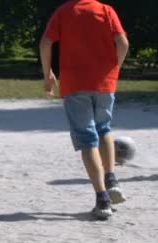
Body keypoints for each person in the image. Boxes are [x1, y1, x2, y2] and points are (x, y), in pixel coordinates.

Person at [40, 0, 129, 219]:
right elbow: (123, 43)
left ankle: (102, 199)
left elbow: (45, 43)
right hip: (104, 83)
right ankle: (111, 178)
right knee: (103, 129)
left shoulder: (64, 11)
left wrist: (48, 73)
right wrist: (113, 69)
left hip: (75, 84)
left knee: (87, 138)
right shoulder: (106, 10)